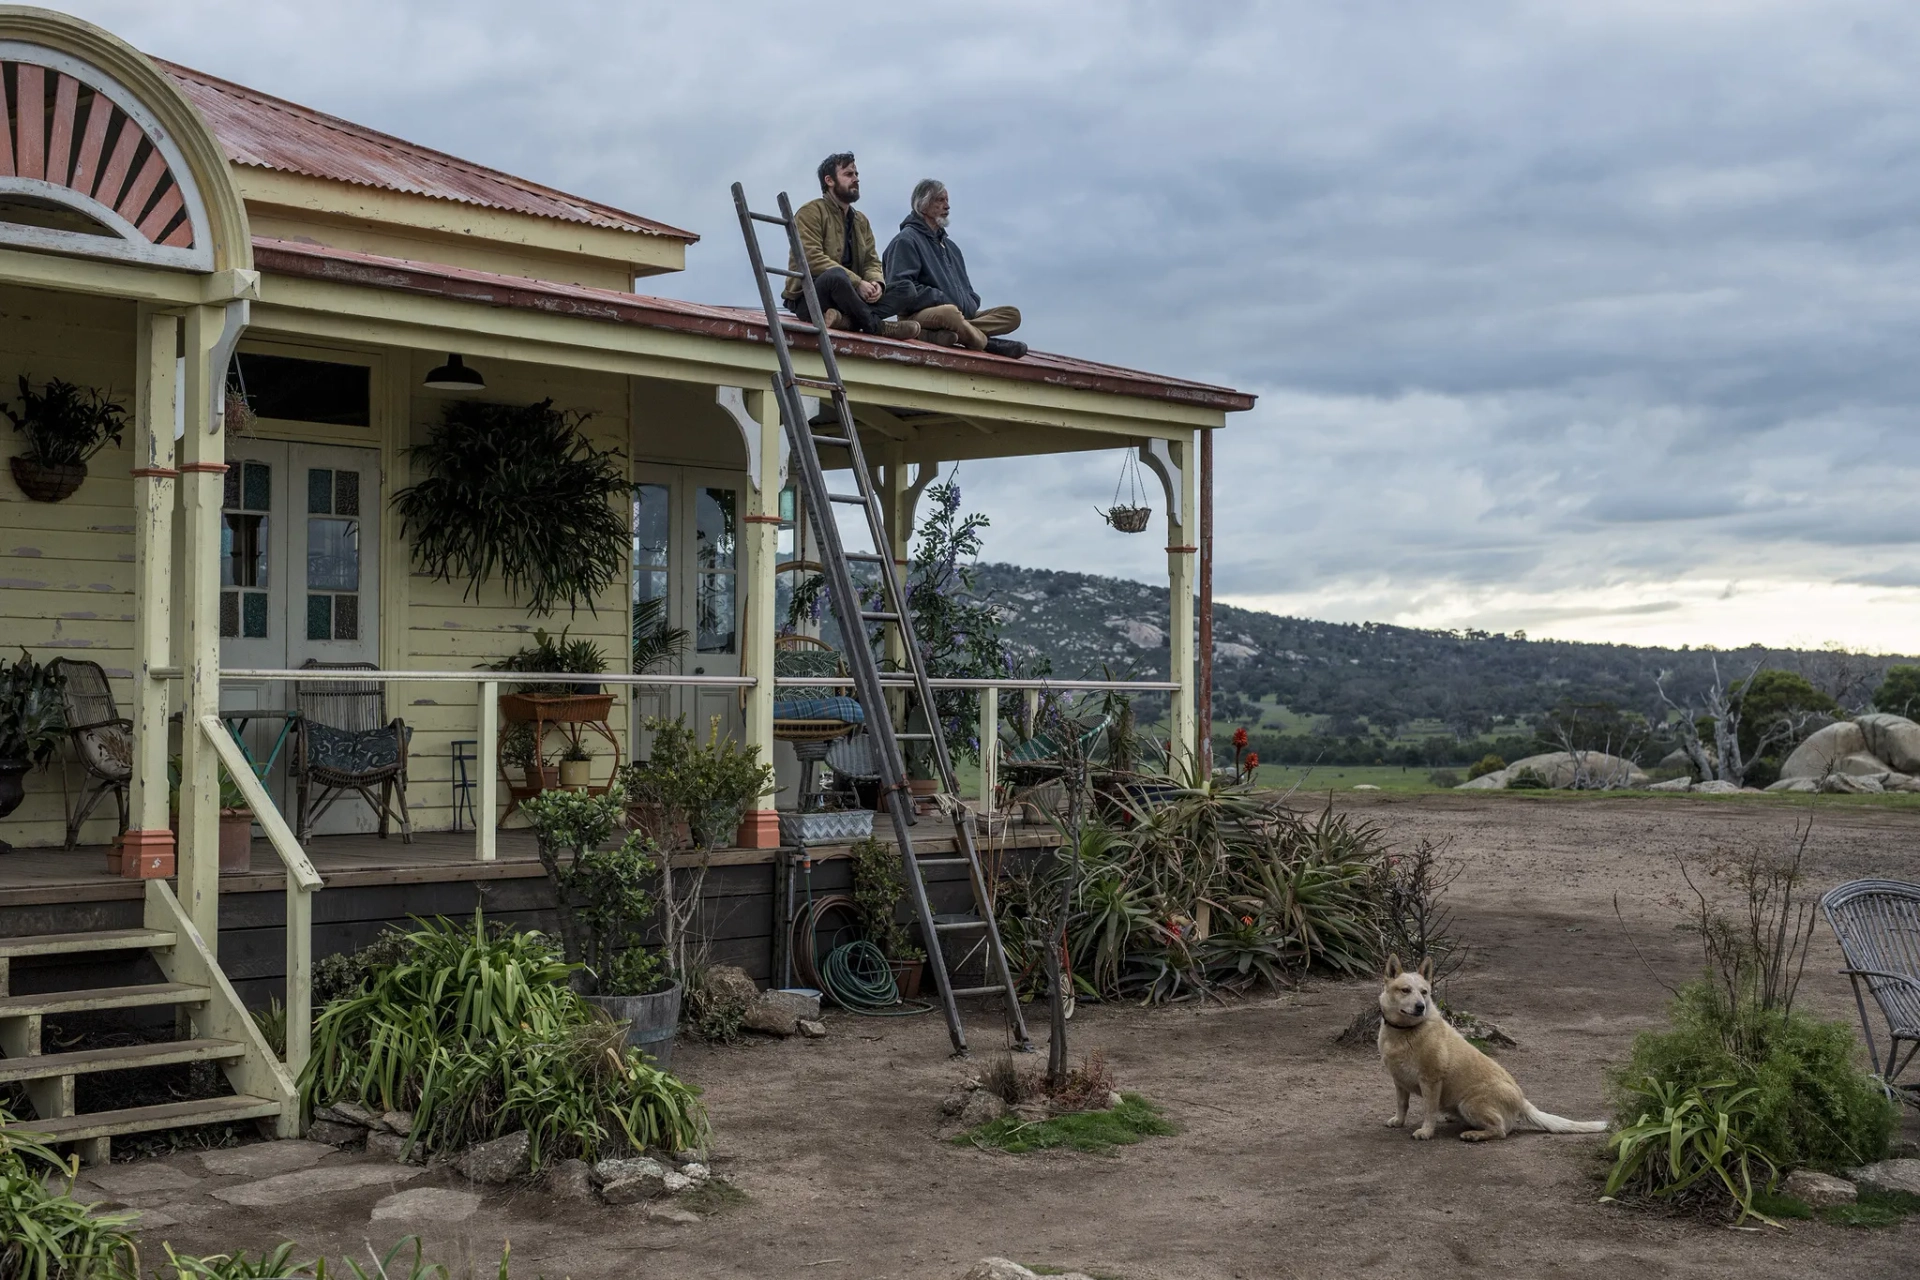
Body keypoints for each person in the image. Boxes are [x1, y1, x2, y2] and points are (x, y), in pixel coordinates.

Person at [882, 179, 1028, 358]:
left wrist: (970, 302)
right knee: (949, 313)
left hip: (961, 315)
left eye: (947, 200)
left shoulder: (952, 248)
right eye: (940, 200)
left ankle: (954, 335)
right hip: (921, 315)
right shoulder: (905, 241)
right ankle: (985, 342)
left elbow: (967, 289)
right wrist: (942, 299)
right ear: (923, 205)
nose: (947, 206)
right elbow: (900, 289)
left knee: (1012, 314)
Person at [784, 152, 922, 341]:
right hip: (812, 298)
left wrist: (876, 284)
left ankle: (846, 321)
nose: (856, 179)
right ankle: (875, 326)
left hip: (852, 300)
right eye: (849, 175)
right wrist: (857, 283)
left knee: (907, 289)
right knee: (837, 276)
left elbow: (871, 261)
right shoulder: (811, 212)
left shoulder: (861, 220)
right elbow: (810, 258)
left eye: (856, 174)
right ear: (829, 180)